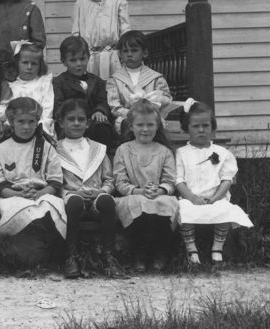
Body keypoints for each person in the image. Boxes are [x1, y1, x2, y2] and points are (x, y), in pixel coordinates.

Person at [174, 100, 253, 270]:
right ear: (187, 127)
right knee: (184, 209)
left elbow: (227, 180)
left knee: (224, 209)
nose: (201, 130)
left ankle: (217, 249)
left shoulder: (222, 153)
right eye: (195, 126)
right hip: (191, 197)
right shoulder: (181, 153)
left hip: (215, 198)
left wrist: (216, 198)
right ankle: (191, 250)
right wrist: (192, 198)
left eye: (205, 125)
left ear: (212, 126)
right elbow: (178, 180)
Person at [54, 99, 123, 279]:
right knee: (75, 202)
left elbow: (109, 179)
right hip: (71, 198)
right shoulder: (55, 150)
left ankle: (109, 255)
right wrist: (71, 193)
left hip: (96, 199)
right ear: (61, 122)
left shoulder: (98, 149)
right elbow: (54, 181)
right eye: (71, 119)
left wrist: (101, 191)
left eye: (81, 119)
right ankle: (71, 255)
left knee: (107, 201)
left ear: (88, 123)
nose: (76, 123)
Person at [0, 97, 67, 254]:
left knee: (49, 206)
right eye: (21, 121)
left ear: (37, 121)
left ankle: (49, 253)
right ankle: (20, 254)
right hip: (12, 195)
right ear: (11, 122)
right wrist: (19, 194)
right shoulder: (1, 149)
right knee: (17, 209)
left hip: (42, 192)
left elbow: (55, 181)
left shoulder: (45, 147)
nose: (26, 127)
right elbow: (0, 184)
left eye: (31, 122)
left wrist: (39, 193)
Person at [113, 99, 178, 272]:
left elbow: (170, 179)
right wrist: (138, 190)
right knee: (137, 204)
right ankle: (139, 254)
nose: (145, 129)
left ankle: (159, 252)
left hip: (159, 194)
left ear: (157, 126)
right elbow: (119, 180)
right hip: (133, 195)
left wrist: (161, 189)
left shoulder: (164, 151)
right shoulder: (123, 150)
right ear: (131, 126)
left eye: (150, 124)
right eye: (140, 124)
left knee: (166, 203)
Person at [52, 35, 115, 150]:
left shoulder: (97, 81)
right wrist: (70, 115)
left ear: (88, 57)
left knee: (103, 127)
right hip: (71, 121)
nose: (78, 64)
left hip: (92, 121)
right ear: (64, 61)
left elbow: (102, 101)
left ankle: (103, 157)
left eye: (82, 59)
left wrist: (99, 111)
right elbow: (58, 106)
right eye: (73, 60)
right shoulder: (59, 82)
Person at [107, 30, 172, 140]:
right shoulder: (115, 80)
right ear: (119, 54)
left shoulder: (155, 78)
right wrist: (133, 114)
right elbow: (114, 106)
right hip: (127, 118)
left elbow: (166, 99)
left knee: (156, 125)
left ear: (145, 53)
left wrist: (157, 100)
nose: (129, 54)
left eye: (134, 50)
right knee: (126, 125)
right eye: (125, 51)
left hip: (151, 117)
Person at [8, 42, 55, 136]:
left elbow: (47, 109)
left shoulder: (44, 83)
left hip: (40, 129)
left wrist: (39, 129)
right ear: (17, 63)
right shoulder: (11, 86)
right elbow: (8, 111)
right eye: (25, 63)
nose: (29, 67)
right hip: (16, 130)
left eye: (34, 64)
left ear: (40, 65)